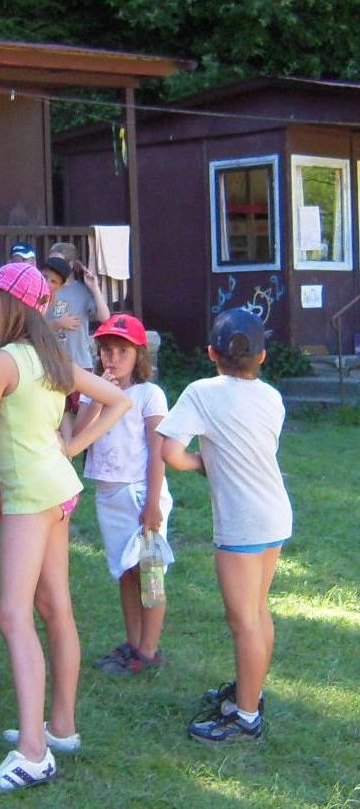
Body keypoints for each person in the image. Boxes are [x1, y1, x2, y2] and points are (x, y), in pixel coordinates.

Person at [0, 263, 130, 791]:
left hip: (30, 496)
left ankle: (33, 753)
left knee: (11, 614)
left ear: (13, 306)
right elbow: (118, 398)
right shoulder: (54, 357)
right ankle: (60, 727)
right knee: (53, 605)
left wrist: (66, 444)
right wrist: (72, 448)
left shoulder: (0, 362)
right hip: (59, 489)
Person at [157, 308, 292, 745]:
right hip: (274, 513)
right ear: (263, 356)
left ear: (211, 353)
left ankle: (246, 717)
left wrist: (202, 464)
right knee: (258, 610)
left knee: (244, 620)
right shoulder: (272, 397)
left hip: (242, 522)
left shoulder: (201, 392)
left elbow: (170, 452)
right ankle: (250, 694)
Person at [73, 314, 173, 676]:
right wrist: (99, 397)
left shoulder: (149, 395)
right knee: (125, 572)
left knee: (150, 571)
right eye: (106, 351)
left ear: (138, 355)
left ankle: (149, 650)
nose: (112, 359)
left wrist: (152, 504)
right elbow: (78, 436)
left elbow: (157, 451)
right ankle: (133, 642)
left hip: (141, 493)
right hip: (109, 494)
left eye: (122, 351)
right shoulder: (94, 390)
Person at [45, 252, 111, 414]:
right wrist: (57, 324)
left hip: (80, 362)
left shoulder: (81, 290)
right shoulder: (45, 290)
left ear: (70, 265)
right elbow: (33, 325)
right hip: (51, 363)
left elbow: (104, 317)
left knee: (81, 411)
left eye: (59, 263)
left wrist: (94, 288)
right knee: (58, 414)